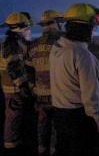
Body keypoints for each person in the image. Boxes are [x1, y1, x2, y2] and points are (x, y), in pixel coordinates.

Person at [49, 3, 99, 156]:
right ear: (86, 28)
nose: (94, 31)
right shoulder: (83, 56)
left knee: (62, 150)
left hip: (59, 113)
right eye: (93, 27)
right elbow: (90, 98)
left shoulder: (57, 48)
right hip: (79, 119)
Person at [26, 10, 64, 156]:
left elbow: (29, 70)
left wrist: (34, 89)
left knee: (42, 124)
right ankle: (55, 151)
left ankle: (41, 150)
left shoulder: (33, 45)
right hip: (58, 95)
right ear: (57, 24)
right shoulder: (61, 44)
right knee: (57, 126)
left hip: (40, 95)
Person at [0, 12, 34, 155]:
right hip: (13, 89)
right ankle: (10, 148)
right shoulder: (13, 44)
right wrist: (23, 86)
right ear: (21, 27)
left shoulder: (15, 41)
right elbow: (14, 67)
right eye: (27, 28)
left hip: (12, 88)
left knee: (16, 117)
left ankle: (14, 144)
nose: (29, 30)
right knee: (13, 118)